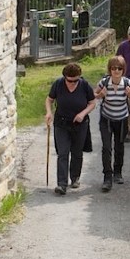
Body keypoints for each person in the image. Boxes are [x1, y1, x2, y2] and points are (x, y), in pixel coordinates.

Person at [45, 63, 96, 196]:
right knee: (63, 152)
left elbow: (92, 103)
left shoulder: (84, 85)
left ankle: (75, 178)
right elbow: (49, 99)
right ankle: (62, 184)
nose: (73, 83)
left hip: (80, 124)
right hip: (62, 123)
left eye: (75, 80)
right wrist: (49, 112)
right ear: (65, 77)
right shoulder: (58, 84)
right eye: (70, 80)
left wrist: (82, 114)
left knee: (77, 152)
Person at [94, 57, 130, 192]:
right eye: (114, 68)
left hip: (121, 120)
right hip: (106, 119)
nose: (116, 71)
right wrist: (100, 95)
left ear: (123, 70)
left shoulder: (127, 82)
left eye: (119, 68)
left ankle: (117, 173)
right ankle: (107, 177)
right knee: (106, 147)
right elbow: (93, 95)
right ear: (110, 69)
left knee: (119, 147)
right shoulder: (104, 82)